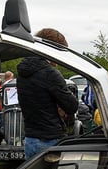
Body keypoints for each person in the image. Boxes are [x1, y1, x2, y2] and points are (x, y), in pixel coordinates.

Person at [16, 28, 79, 159]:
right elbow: (72, 106)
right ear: (51, 49)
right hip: (50, 139)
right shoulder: (50, 73)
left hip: (30, 138)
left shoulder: (22, 72)